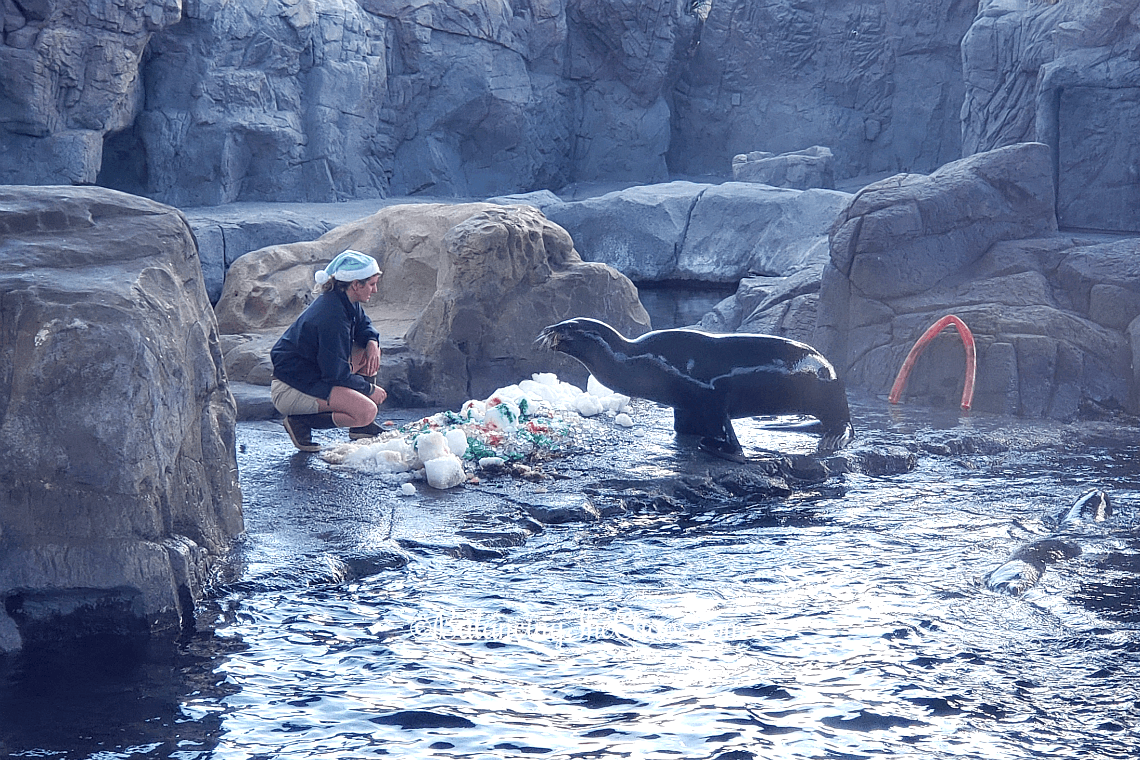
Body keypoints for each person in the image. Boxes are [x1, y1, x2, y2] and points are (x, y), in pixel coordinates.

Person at [270, 250, 389, 452]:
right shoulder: (332, 318)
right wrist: (369, 390)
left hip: (314, 375)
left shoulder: (343, 300)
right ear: (355, 285)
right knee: (367, 410)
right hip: (291, 388)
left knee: (366, 352)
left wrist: (372, 341)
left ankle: (360, 429)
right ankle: (300, 422)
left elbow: (363, 324)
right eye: (371, 284)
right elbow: (336, 375)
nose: (375, 290)